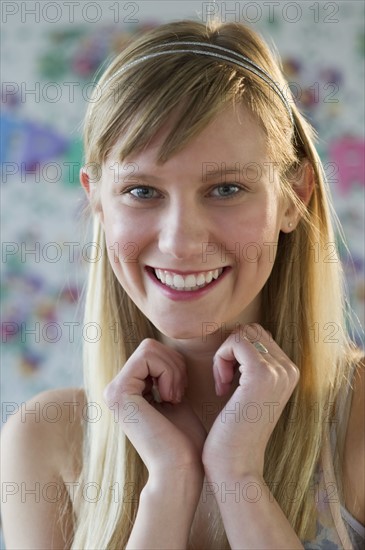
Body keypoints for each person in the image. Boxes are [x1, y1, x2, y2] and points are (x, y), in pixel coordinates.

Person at [1, 19, 364, 550]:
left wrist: (238, 476)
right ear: (97, 200)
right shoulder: (45, 439)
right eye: (143, 191)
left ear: (294, 196)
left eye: (225, 188)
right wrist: (169, 487)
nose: (180, 242)